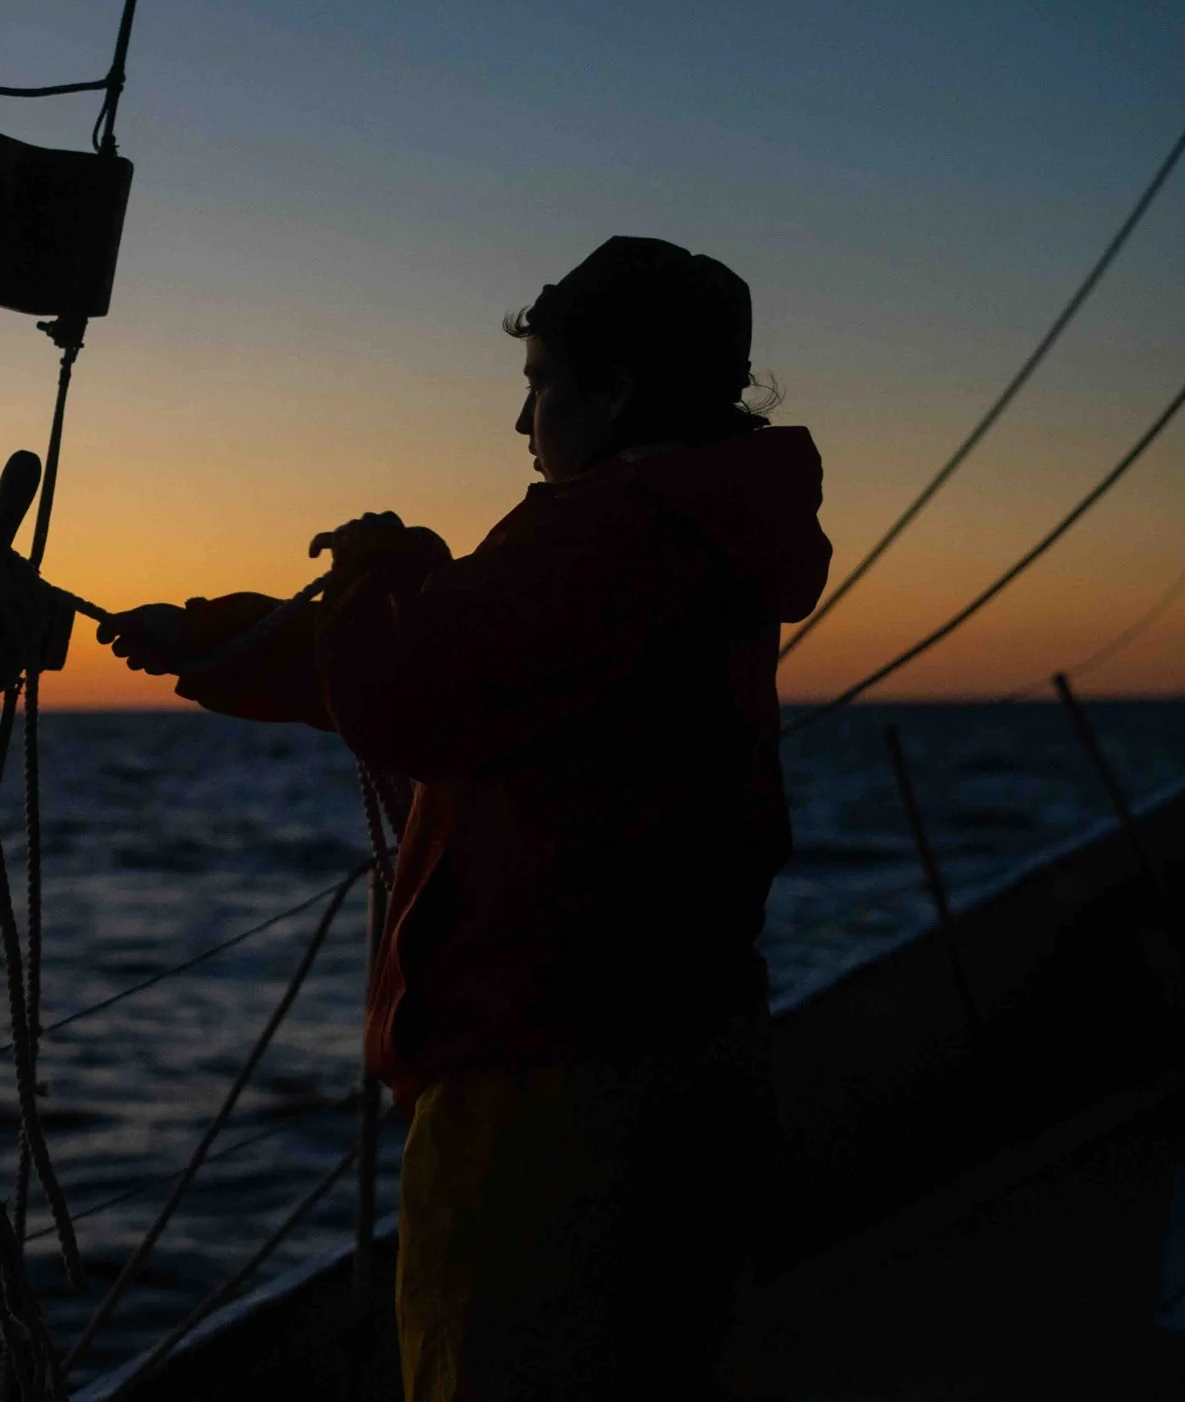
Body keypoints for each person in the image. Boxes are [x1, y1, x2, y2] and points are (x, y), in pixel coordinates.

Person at [98, 237, 831, 1401]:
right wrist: (214, 636)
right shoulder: (697, 533)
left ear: (613, 391)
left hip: (549, 1090)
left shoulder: (613, 529)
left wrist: (382, 564)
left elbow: (417, 687)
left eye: (539, 383)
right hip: (686, 1050)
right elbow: (456, 664)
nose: (521, 420)